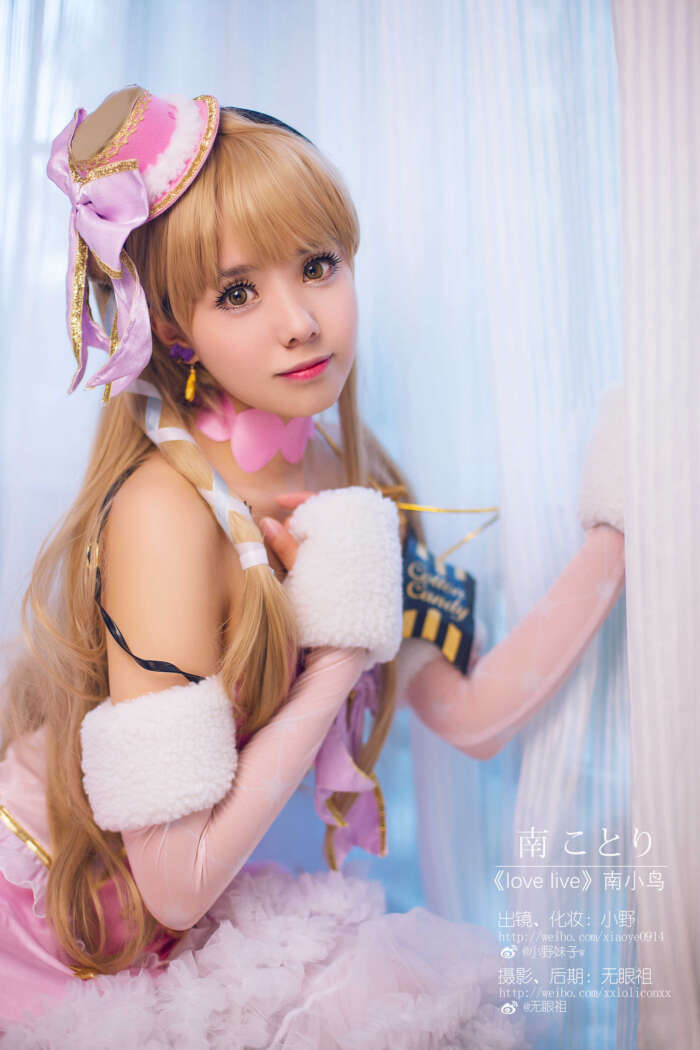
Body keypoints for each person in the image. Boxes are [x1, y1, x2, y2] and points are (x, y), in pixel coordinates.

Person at [0, 85, 625, 1048]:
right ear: (174, 328)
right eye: (237, 292)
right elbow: (173, 885)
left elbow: (471, 715)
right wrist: (337, 656)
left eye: (318, 265)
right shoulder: (165, 512)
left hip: (179, 924)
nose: (300, 321)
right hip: (59, 927)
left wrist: (621, 532)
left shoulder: (348, 474)